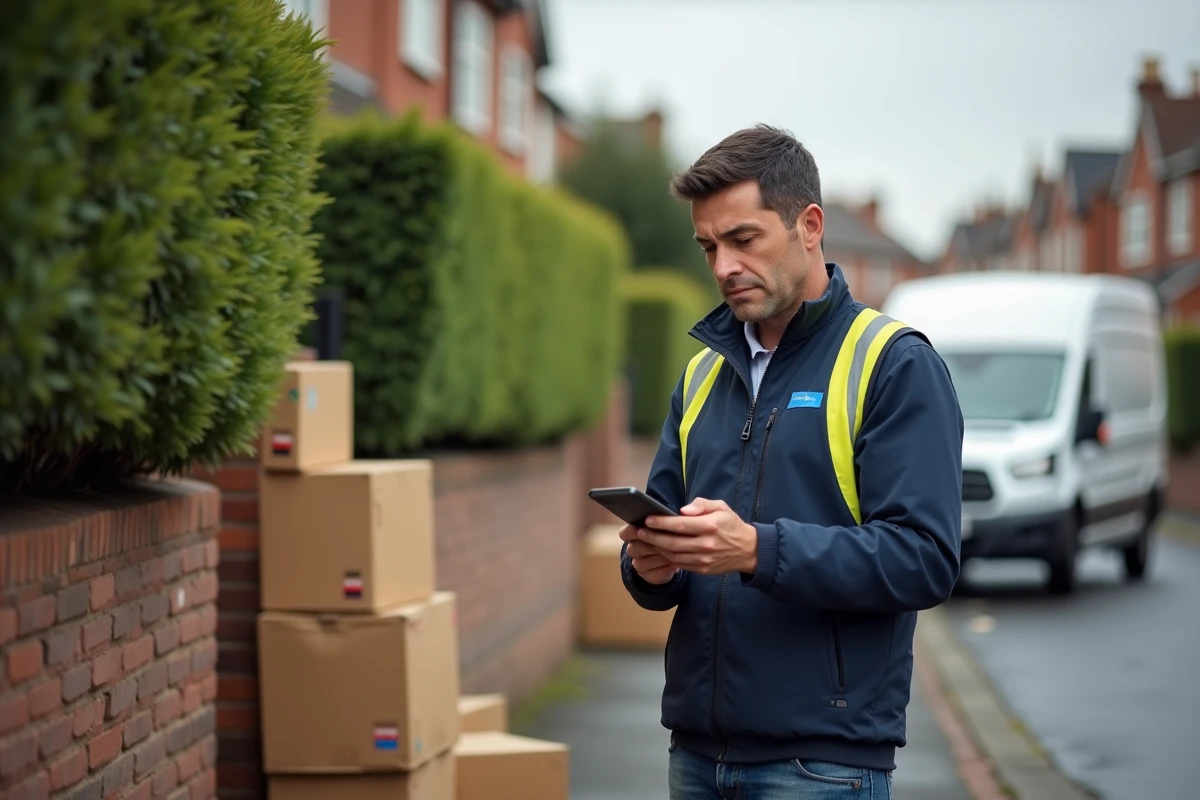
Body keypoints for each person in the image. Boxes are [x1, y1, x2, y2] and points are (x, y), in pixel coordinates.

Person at [618, 124, 964, 799]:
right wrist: (649, 567)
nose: (722, 267)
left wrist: (755, 549)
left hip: (822, 767)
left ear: (809, 226)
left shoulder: (893, 364)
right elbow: (662, 558)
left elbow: (924, 559)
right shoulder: (699, 378)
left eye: (744, 240)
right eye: (709, 247)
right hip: (694, 755)